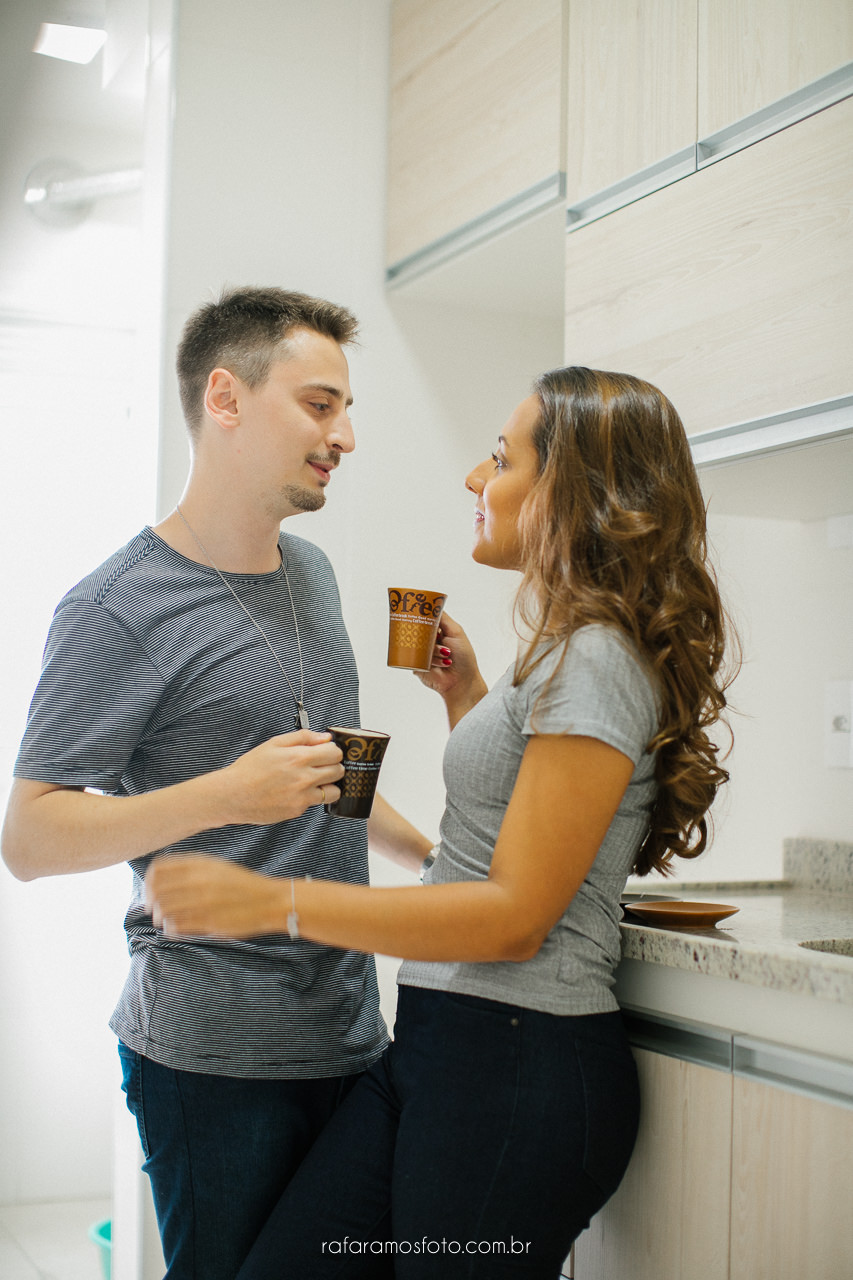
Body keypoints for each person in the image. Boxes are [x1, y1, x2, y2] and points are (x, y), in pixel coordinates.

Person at [145, 366, 738, 1279]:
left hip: (517, 1068)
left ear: (568, 492)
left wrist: (268, 902)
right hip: (448, 1048)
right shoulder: (564, 649)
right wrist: (464, 698)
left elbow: (510, 917)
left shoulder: (594, 659)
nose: (474, 480)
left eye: (501, 460)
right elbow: (503, 840)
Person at [0, 287, 434, 1280]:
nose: (347, 434)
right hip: (208, 1058)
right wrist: (222, 793)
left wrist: (436, 855)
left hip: (348, 1026)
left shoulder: (313, 574)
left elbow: (325, 770)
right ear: (227, 398)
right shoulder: (117, 607)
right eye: (321, 405)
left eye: (346, 409)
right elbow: (27, 836)